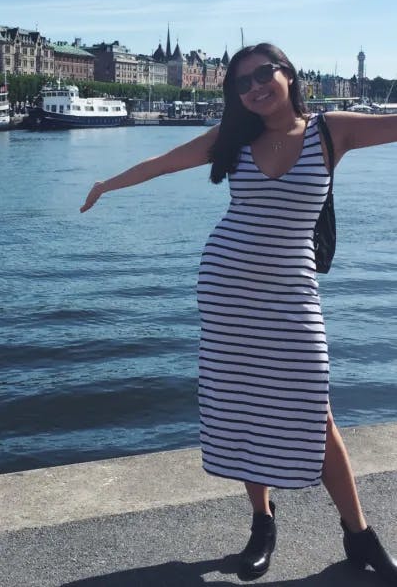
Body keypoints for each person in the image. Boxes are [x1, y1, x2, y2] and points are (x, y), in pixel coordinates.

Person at [80, 42, 397, 583]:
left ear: (288, 73)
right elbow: (165, 162)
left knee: (313, 412)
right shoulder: (235, 138)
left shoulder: (330, 130)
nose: (253, 87)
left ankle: (359, 534)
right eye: (242, 83)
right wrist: (107, 185)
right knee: (244, 404)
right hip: (228, 291)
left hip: (292, 293)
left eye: (262, 74)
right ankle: (261, 523)